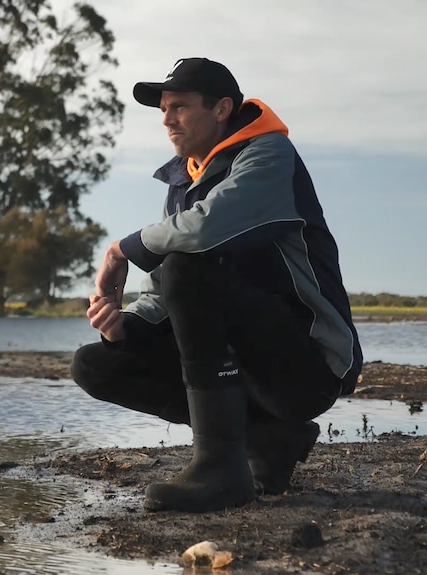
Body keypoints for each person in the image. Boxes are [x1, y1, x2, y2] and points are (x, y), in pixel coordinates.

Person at [72, 57, 362, 513]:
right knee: (96, 364)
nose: (166, 119)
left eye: (179, 106)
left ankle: (221, 471)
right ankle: (270, 438)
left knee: (192, 264)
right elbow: (163, 291)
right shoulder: (182, 183)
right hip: (249, 366)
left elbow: (204, 231)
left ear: (222, 108)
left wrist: (120, 249)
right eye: (163, 109)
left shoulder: (268, 155)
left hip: (310, 365)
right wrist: (126, 325)